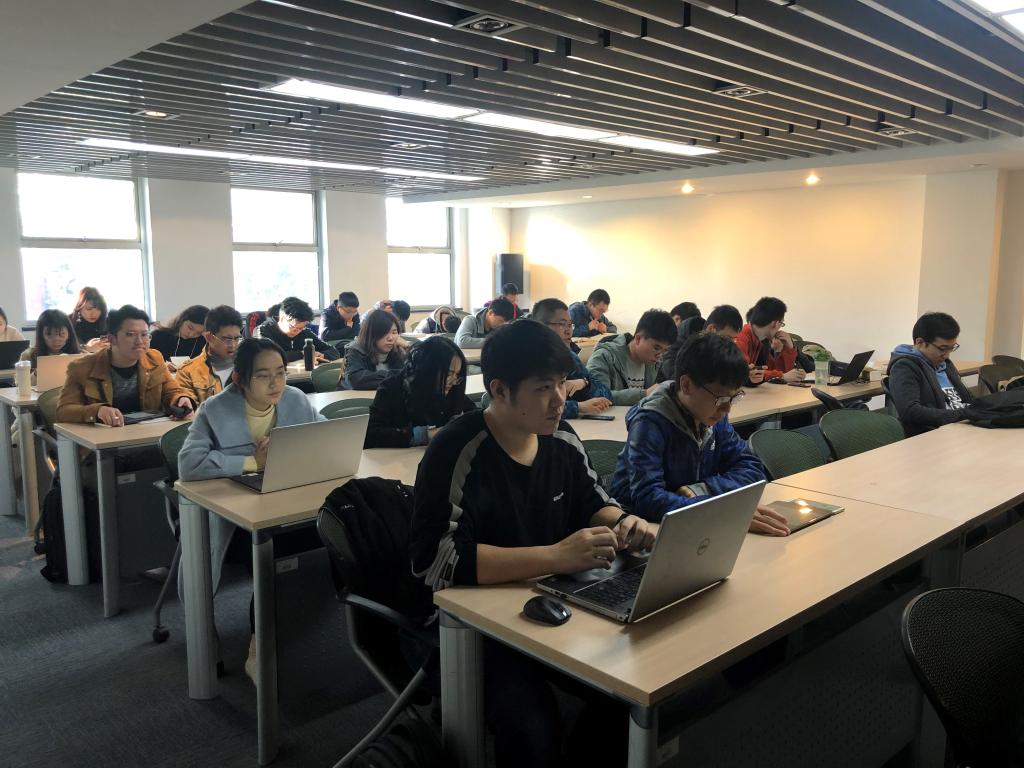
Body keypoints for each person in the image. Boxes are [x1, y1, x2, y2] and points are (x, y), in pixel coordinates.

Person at [410, 319, 654, 768]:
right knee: (533, 728)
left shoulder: (560, 436)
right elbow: (439, 560)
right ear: (500, 390)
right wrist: (555, 556)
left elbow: (592, 499)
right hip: (476, 624)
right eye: (544, 388)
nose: (560, 399)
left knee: (631, 691)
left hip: (553, 600)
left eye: (562, 383)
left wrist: (625, 522)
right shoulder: (456, 449)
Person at [178, 337, 325, 683]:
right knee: (279, 549)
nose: (276, 383)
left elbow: (324, 434)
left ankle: (304, 633)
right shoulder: (215, 409)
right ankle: (260, 645)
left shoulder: (295, 398)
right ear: (240, 379)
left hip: (286, 501)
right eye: (263, 375)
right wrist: (252, 462)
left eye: (281, 372)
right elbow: (189, 463)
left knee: (326, 535)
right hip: (234, 520)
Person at [610, 333, 790, 535]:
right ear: (686, 385)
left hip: (693, 522)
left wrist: (703, 490)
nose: (727, 409)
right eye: (721, 399)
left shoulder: (713, 416)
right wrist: (722, 512)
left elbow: (753, 469)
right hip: (640, 530)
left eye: (734, 398)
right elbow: (648, 498)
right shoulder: (650, 422)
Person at [56, 305, 194, 425]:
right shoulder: (81, 367)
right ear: (112, 339)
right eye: (130, 334)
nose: (140, 341)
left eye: (144, 334)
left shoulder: (154, 358)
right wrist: (97, 411)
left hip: (147, 433)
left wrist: (181, 399)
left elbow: (172, 391)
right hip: (105, 439)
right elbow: (63, 411)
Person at [364, 336, 475, 448]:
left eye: (457, 375)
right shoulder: (392, 388)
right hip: (399, 457)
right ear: (429, 369)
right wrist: (424, 435)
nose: (453, 381)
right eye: (449, 373)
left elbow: (476, 416)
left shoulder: (452, 389)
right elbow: (371, 434)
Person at [887, 312, 974, 437]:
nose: (947, 355)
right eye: (942, 349)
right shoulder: (904, 367)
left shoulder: (945, 364)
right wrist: (963, 414)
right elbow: (910, 411)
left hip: (962, 427)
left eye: (951, 348)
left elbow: (967, 399)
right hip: (934, 434)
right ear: (920, 342)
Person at [530, 298, 612, 418]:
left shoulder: (570, 355)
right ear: (542, 327)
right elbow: (532, 407)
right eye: (562, 324)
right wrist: (578, 407)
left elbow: (606, 395)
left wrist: (584, 383)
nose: (569, 331)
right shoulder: (529, 359)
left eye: (570, 325)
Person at [587, 309, 676, 405]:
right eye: (656, 348)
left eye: (665, 350)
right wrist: (644, 394)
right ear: (638, 339)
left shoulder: (654, 363)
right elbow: (597, 396)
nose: (660, 356)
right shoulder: (604, 356)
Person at [175, 305, 244, 405]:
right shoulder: (187, 372)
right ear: (209, 337)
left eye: (237, 338)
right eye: (227, 339)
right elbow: (191, 410)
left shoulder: (249, 366)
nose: (233, 345)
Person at [659, 304, 743, 383]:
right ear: (711, 329)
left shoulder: (715, 343)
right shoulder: (683, 335)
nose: (731, 343)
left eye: (734, 339)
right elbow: (670, 367)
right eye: (728, 338)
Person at [734, 297, 803, 385]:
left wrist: (789, 347)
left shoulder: (763, 341)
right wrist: (781, 376)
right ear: (775, 323)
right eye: (781, 323)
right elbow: (745, 372)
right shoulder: (741, 337)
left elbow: (778, 370)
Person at [255, 296, 339, 363]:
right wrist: (302, 354)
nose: (297, 331)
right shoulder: (264, 330)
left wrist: (323, 355)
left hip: (301, 375)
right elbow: (270, 357)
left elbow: (334, 351)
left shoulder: (304, 332)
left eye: (301, 328)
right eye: (293, 327)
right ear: (283, 318)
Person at [344, 308, 407, 390]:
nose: (390, 338)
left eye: (394, 332)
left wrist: (409, 348)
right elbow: (355, 380)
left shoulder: (398, 351)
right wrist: (395, 376)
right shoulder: (356, 350)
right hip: (355, 397)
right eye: (384, 333)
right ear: (371, 334)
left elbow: (413, 376)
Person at [149, 305, 208, 371]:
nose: (191, 334)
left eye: (198, 333)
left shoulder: (202, 342)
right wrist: (161, 367)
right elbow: (144, 363)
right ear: (183, 319)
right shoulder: (158, 336)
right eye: (190, 328)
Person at [70, 286, 110, 353]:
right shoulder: (68, 322)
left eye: (98, 309)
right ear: (80, 307)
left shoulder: (107, 322)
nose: (94, 314)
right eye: (89, 309)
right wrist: (86, 348)